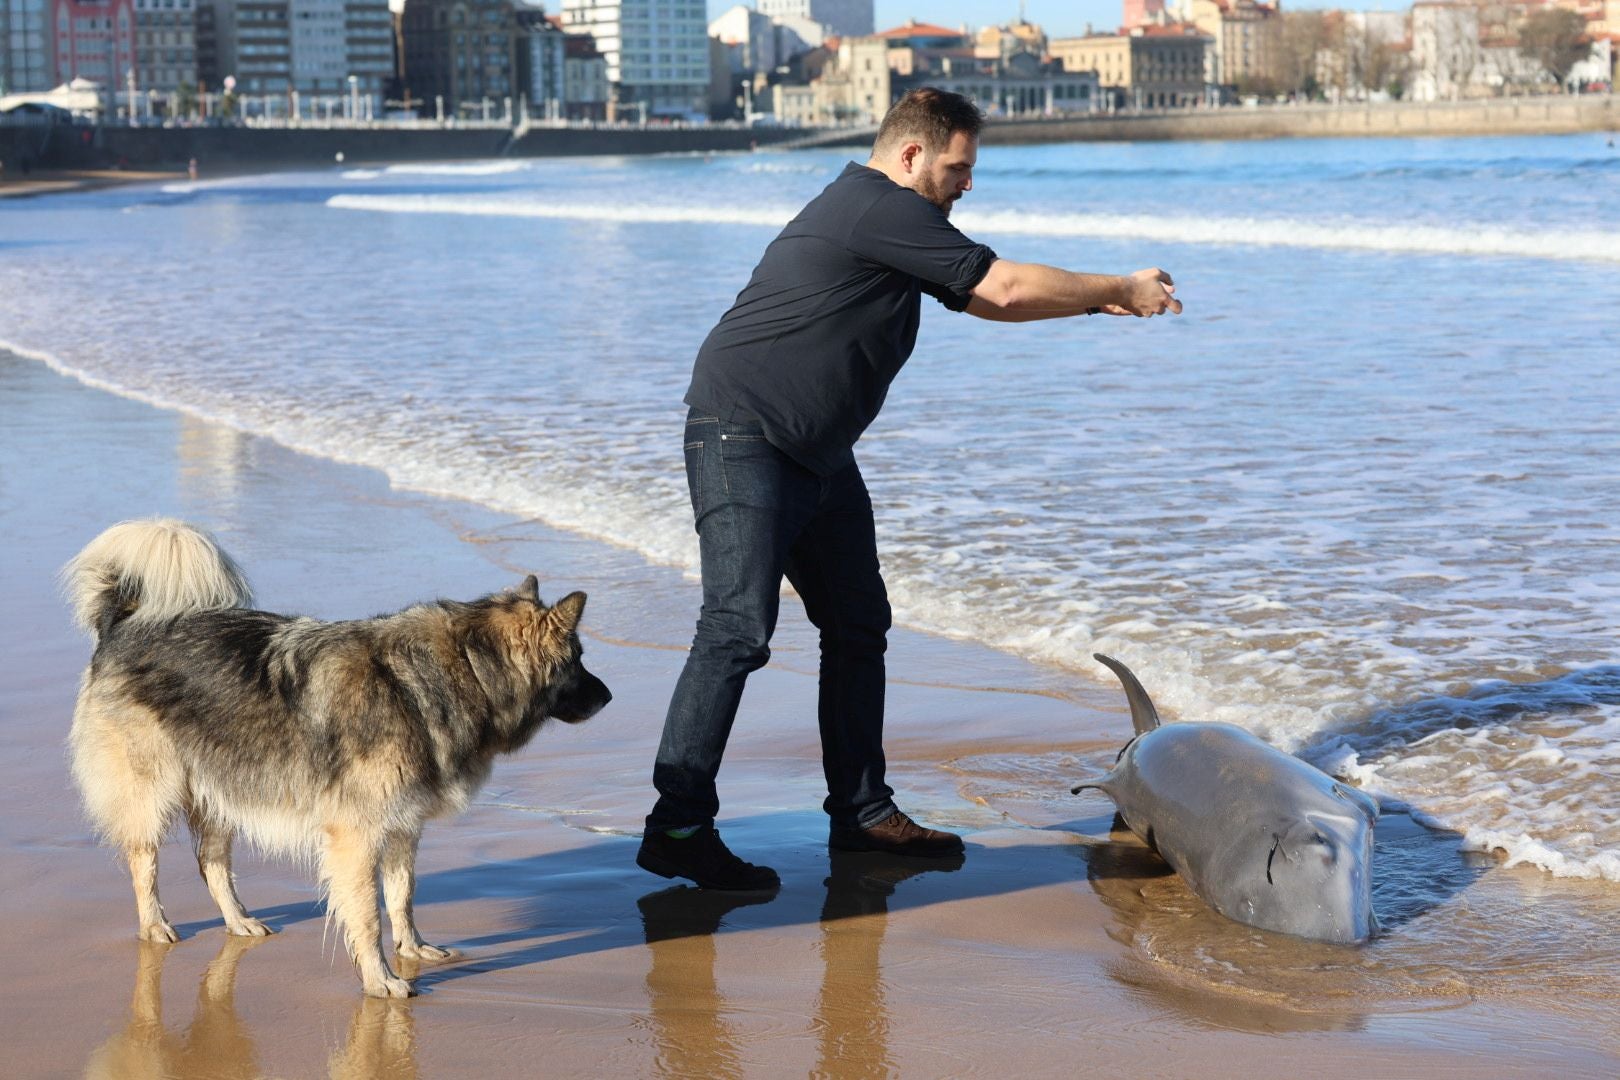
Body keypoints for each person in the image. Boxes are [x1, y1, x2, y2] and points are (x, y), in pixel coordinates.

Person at [636, 87, 1182, 891]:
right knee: (737, 628)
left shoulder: (891, 221)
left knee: (859, 624)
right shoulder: (878, 206)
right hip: (745, 434)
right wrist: (1123, 286)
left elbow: (983, 299)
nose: (968, 183)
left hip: (816, 451)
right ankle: (678, 825)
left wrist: (1099, 301)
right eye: (959, 168)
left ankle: (862, 813)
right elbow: (1004, 286)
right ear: (912, 154)